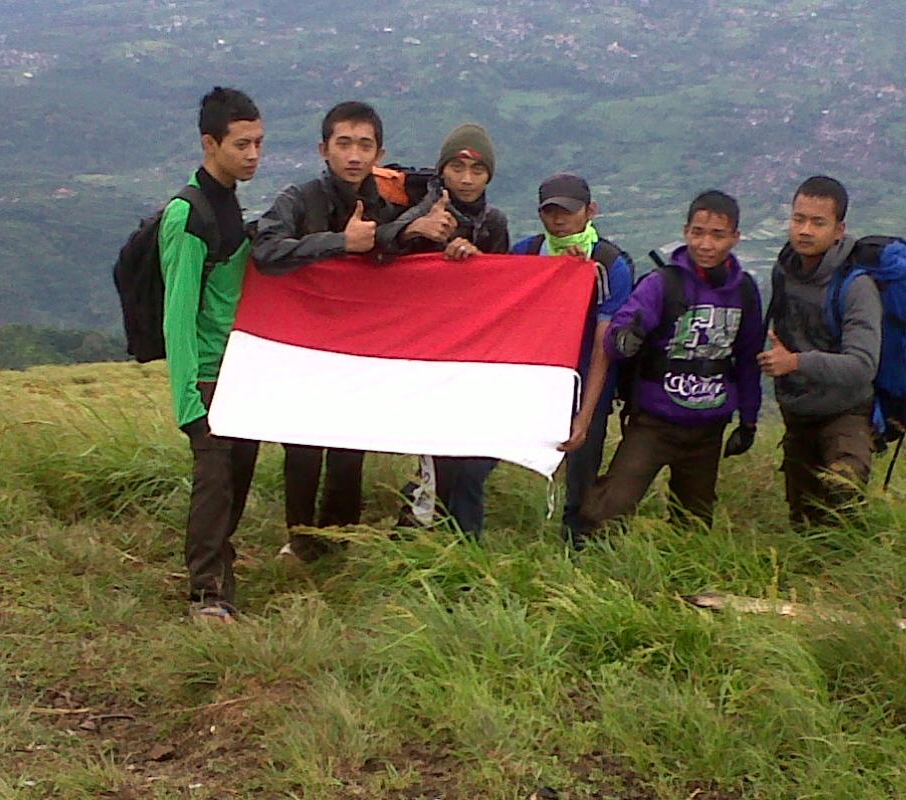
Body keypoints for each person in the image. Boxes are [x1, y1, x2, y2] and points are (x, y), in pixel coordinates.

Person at [252, 101, 457, 561]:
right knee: (302, 447)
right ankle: (302, 541)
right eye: (343, 143)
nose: (354, 155)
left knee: (350, 448)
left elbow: (398, 263)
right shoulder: (298, 199)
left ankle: (339, 544)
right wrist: (342, 242)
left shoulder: (390, 207)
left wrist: (427, 235)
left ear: (379, 153)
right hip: (304, 345)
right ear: (324, 149)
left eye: (365, 145)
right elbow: (265, 250)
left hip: (359, 349)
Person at [578, 190, 763, 534]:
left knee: (693, 522)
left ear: (735, 238)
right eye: (698, 232)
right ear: (685, 231)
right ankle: (593, 573)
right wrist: (625, 337)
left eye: (717, 235)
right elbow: (620, 333)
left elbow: (749, 359)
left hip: (708, 428)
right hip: (654, 423)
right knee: (610, 509)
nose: (705, 244)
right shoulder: (662, 284)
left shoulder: (745, 292)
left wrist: (748, 420)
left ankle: (682, 582)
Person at [159, 87, 264, 621]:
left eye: (258, 143)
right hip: (206, 377)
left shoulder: (228, 200)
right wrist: (188, 404)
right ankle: (206, 595)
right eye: (241, 144)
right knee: (214, 485)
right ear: (209, 142)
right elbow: (177, 315)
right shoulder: (189, 213)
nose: (252, 154)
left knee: (235, 485)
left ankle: (222, 575)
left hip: (239, 371)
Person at [387, 124, 509, 539]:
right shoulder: (422, 211)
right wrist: (419, 234)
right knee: (440, 452)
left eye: (477, 170)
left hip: (474, 353)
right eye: (458, 168)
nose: (467, 179)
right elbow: (384, 252)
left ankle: (438, 526)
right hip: (425, 350)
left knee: (471, 453)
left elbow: (504, 287)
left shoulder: (494, 222)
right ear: (443, 171)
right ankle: (451, 539)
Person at [511, 173, 633, 547]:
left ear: (589, 212)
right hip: (537, 372)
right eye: (550, 212)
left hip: (585, 376)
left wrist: (585, 414)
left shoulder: (610, 265)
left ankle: (576, 541)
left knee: (583, 461)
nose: (559, 220)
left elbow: (603, 346)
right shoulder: (525, 254)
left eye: (568, 211)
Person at [758, 175, 882, 526]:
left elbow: (862, 365)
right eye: (799, 219)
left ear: (839, 230)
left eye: (818, 222)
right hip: (798, 414)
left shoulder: (856, 287)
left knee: (843, 494)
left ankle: (856, 574)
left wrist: (795, 362)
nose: (805, 230)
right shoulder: (785, 270)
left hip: (845, 412)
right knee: (805, 519)